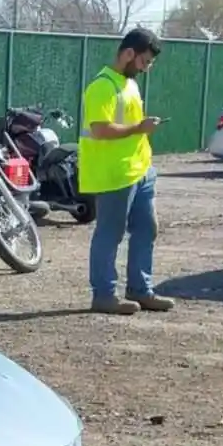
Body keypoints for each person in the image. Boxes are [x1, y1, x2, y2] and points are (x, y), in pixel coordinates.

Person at [80, 28, 171, 315]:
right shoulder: (102, 86)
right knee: (110, 233)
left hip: (140, 170)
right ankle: (104, 295)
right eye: (145, 61)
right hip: (114, 173)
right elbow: (99, 128)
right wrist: (139, 128)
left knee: (147, 229)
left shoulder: (128, 84)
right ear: (129, 53)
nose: (147, 68)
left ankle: (140, 289)